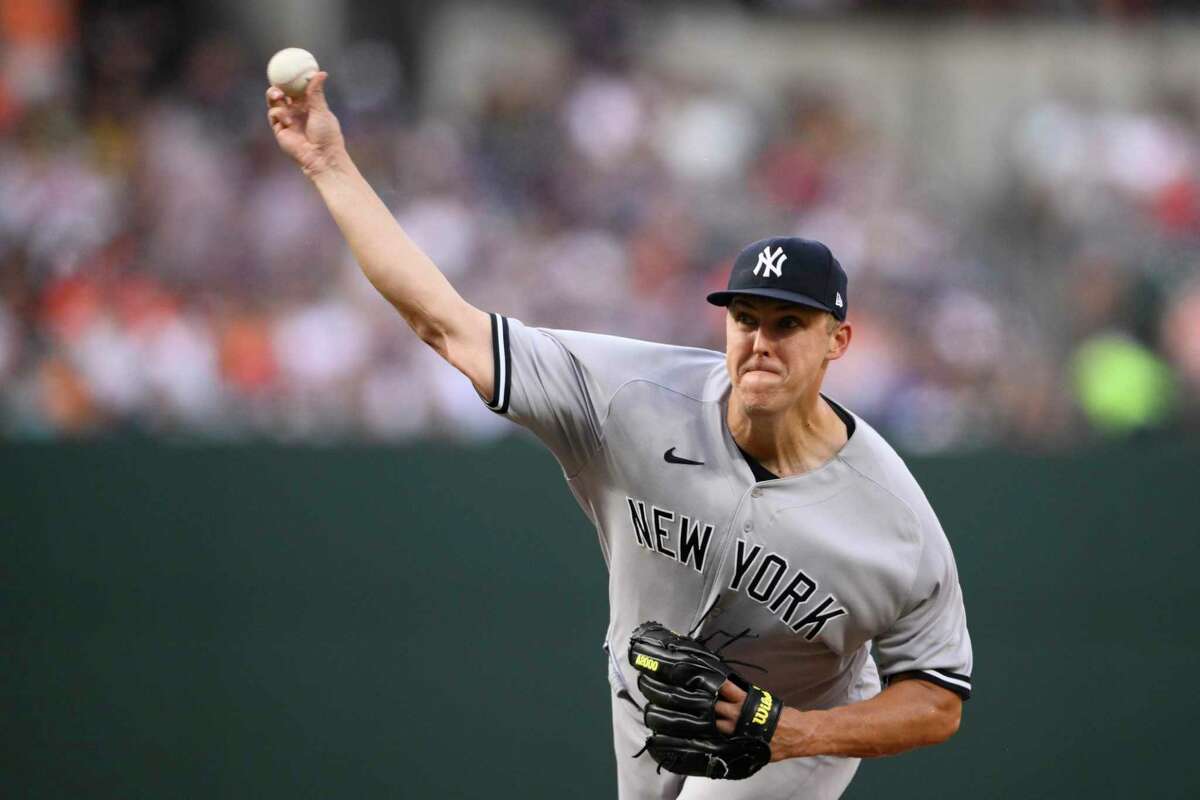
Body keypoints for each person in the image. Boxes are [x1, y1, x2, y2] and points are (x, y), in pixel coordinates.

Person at [266, 73, 972, 800]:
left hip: (799, 726)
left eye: (788, 324)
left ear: (839, 342)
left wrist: (795, 731)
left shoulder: (893, 521)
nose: (761, 341)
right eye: (745, 318)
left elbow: (939, 699)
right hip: (640, 693)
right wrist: (329, 166)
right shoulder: (632, 398)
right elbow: (447, 323)